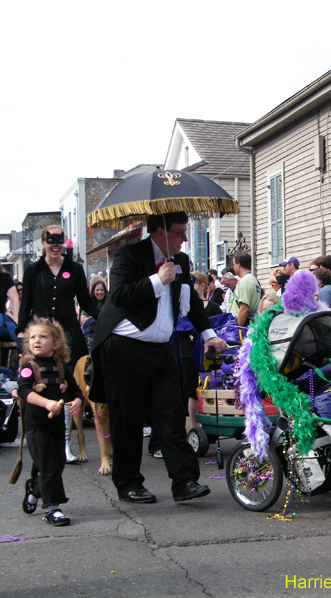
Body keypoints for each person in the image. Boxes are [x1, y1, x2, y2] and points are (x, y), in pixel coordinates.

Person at [90, 212, 228, 504]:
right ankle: (128, 483)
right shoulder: (129, 255)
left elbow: (190, 303)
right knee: (127, 421)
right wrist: (157, 280)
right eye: (179, 232)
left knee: (171, 416)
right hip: (125, 347)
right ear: (159, 232)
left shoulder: (181, 260)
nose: (185, 238)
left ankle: (185, 481)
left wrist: (208, 335)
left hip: (161, 349)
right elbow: (119, 296)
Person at [18, 318, 83, 527]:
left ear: (55, 343)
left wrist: (78, 402)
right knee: (48, 465)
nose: (36, 341)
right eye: (33, 337)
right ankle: (52, 508)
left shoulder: (62, 367)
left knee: (57, 465)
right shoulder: (28, 367)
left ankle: (34, 489)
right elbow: (24, 391)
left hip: (57, 426)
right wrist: (46, 403)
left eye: (43, 337)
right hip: (37, 426)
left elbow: (75, 390)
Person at [17, 225, 99, 368]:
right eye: (51, 242)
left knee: (74, 375)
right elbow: (26, 304)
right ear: (43, 243)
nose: (55, 246)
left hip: (69, 334)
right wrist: (20, 331)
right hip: (40, 334)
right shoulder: (33, 270)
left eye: (59, 242)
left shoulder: (75, 269)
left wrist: (106, 317)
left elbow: (85, 302)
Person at [230, 252, 260, 326]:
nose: (233, 268)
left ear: (239, 264)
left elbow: (244, 309)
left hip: (244, 324)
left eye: (234, 265)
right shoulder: (253, 279)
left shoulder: (245, 281)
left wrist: (238, 330)